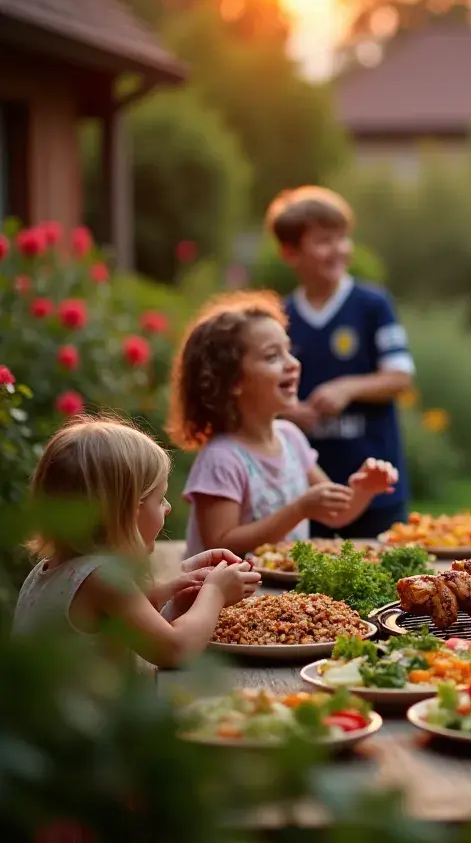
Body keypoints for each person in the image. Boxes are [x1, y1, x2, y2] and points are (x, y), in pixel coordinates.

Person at [13, 415, 261, 668]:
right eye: (160, 499)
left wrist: (176, 591)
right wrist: (215, 592)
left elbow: (121, 617)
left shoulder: (49, 571)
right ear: (129, 510)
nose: (168, 507)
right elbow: (175, 651)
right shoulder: (103, 578)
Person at [168, 290, 398, 557]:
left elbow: (336, 513)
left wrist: (363, 490)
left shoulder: (291, 438)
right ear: (233, 382)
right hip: (224, 598)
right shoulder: (222, 459)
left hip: (275, 597)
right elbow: (220, 543)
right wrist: (298, 510)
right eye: (272, 357)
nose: (293, 364)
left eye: (289, 351)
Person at [264, 186, 414, 539]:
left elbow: (400, 378)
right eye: (323, 241)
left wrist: (348, 387)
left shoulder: (373, 305)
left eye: (343, 238)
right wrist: (289, 411)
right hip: (307, 493)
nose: (339, 250)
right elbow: (258, 392)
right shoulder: (279, 316)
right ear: (290, 252)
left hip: (378, 490)